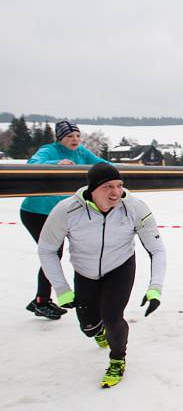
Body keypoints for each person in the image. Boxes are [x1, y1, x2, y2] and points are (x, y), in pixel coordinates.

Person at [38, 163, 166, 388]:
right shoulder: (66, 210)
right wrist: (63, 290)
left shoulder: (134, 208)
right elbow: (47, 249)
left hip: (120, 267)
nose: (116, 192)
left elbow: (157, 249)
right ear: (92, 189)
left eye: (119, 185)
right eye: (108, 186)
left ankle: (117, 359)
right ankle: (96, 330)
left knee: (112, 317)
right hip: (85, 271)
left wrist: (155, 287)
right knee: (88, 327)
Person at [20, 120, 106, 320]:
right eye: (69, 137)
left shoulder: (80, 152)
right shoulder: (50, 150)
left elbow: (101, 164)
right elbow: (32, 164)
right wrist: (55, 163)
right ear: (60, 138)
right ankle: (41, 301)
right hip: (36, 212)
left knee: (79, 249)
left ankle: (45, 300)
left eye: (77, 136)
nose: (75, 140)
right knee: (52, 253)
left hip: (61, 213)